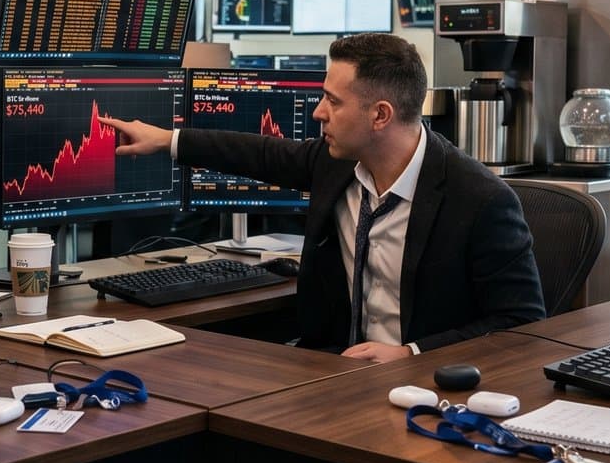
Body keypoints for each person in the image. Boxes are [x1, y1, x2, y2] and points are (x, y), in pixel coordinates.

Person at [101, 32, 543, 361]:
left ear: (380, 115)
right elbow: (260, 153)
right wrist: (167, 140)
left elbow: (521, 325)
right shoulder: (336, 163)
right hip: (329, 367)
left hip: (420, 387)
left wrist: (412, 353)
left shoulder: (480, 200)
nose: (318, 112)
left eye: (332, 101)